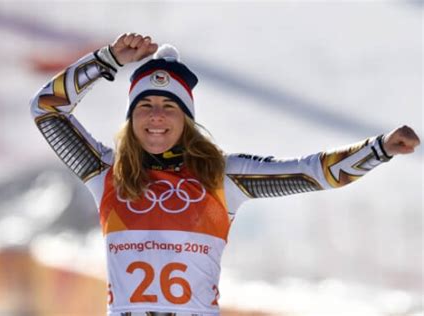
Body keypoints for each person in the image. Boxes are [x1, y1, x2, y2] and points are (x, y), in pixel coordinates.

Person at [30, 33, 420, 316]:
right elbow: (46, 109)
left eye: (169, 106)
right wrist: (107, 60)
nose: (156, 116)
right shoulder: (107, 173)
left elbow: (315, 174)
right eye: (144, 105)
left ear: (188, 119)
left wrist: (380, 149)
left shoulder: (222, 175)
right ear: (131, 119)